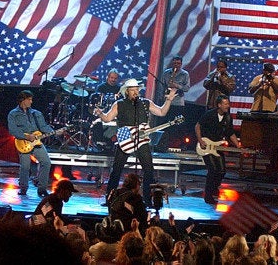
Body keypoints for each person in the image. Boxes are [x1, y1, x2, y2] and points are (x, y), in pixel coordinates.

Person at [93, 78, 177, 207]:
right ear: (127, 91)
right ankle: (110, 198)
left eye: (137, 89)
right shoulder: (119, 103)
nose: (136, 92)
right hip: (126, 137)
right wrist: (100, 113)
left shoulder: (145, 103)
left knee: (149, 170)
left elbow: (161, 112)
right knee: (116, 169)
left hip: (141, 139)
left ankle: (147, 200)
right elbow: (108, 118)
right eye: (133, 90)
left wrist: (169, 99)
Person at [194, 95, 241, 204]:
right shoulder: (209, 114)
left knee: (222, 171)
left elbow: (230, 133)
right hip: (206, 145)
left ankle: (214, 188)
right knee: (213, 170)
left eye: (228, 104)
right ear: (219, 105)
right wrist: (201, 141)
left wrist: (238, 146)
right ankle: (208, 196)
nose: (227, 106)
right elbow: (197, 126)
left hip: (218, 146)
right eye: (225, 104)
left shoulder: (228, 117)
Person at [7, 90, 54, 197]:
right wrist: (26, 136)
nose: (31, 102)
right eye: (29, 99)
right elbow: (13, 130)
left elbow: (43, 127)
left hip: (37, 142)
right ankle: (23, 188)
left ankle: (42, 189)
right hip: (23, 143)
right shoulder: (13, 114)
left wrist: (55, 131)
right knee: (25, 167)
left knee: (46, 162)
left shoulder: (36, 113)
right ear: (22, 100)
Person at [156, 56, 191, 152]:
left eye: (178, 64)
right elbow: (161, 86)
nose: (176, 65)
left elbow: (187, 88)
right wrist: (162, 96)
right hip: (167, 103)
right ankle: (163, 144)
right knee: (165, 124)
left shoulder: (185, 74)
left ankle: (180, 144)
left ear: (181, 64)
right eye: (175, 63)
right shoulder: (166, 73)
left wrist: (176, 85)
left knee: (178, 124)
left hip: (178, 103)